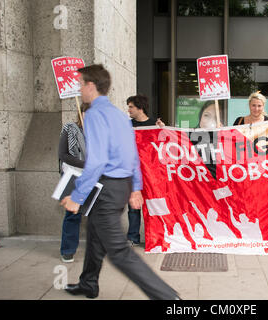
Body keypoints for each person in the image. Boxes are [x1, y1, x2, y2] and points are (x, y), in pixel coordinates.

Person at [61, 64, 179, 300]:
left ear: (91, 86)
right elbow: (132, 155)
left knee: (119, 252)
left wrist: (77, 197)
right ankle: (89, 283)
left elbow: (97, 160)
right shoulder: (118, 115)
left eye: (81, 84)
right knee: (95, 236)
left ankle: (168, 298)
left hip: (106, 188)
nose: (79, 89)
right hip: (120, 186)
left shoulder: (94, 114)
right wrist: (135, 187)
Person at [126, 94, 164, 246]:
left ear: (140, 108)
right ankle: (133, 237)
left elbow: (164, 145)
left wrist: (163, 130)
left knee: (153, 205)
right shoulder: (127, 125)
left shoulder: (154, 124)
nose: (128, 110)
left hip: (152, 172)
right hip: (133, 171)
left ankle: (154, 236)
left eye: (131, 107)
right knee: (133, 207)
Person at [58, 103, 90, 263]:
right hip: (74, 177)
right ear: (81, 112)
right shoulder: (70, 129)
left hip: (94, 178)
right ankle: (67, 250)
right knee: (72, 213)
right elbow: (63, 154)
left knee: (98, 215)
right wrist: (86, 164)